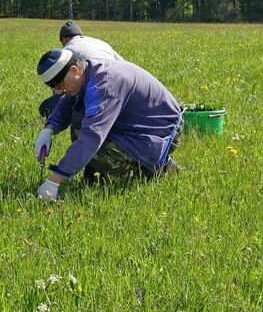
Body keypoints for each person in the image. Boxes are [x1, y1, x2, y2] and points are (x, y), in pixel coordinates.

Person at [34, 48, 182, 201]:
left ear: (74, 70)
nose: (59, 92)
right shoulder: (87, 72)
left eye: (60, 85)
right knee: (78, 126)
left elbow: (92, 136)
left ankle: (155, 168)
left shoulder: (104, 85)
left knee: (97, 153)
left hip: (161, 131)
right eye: (55, 88)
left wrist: (55, 180)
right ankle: (96, 177)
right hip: (136, 123)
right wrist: (49, 129)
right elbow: (67, 104)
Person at [39, 20, 125, 118]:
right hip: (118, 89)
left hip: (95, 91)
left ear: (63, 39)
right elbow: (124, 65)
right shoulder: (102, 43)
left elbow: (60, 87)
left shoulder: (67, 52)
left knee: (47, 107)